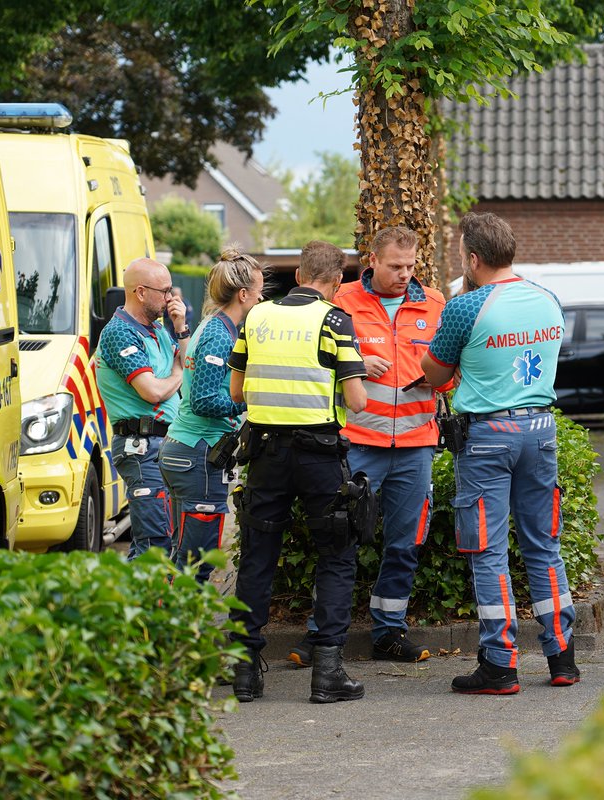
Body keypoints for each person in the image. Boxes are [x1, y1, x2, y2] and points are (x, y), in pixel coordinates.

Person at [421, 212, 580, 694]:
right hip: (541, 430)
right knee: (544, 545)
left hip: (488, 437)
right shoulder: (548, 300)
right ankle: (563, 659)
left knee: (487, 552)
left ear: (472, 259)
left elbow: (435, 374)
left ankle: (499, 664)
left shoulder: (466, 308)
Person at [285, 227, 448, 667]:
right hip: (358, 444)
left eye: (411, 266)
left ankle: (390, 632)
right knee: (339, 539)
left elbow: (450, 371)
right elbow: (316, 367)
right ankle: (320, 635)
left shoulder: (434, 304)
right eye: (395, 266)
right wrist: (354, 364)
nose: (404, 274)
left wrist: (436, 374)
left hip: (415, 447)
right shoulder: (341, 303)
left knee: (404, 544)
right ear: (371, 260)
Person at [228, 241, 369, 704]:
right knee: (335, 553)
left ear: (299, 274)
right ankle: (327, 671)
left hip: (265, 453)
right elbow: (357, 401)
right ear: (338, 282)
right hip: (319, 457)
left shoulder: (257, 317)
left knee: (257, 555)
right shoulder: (334, 320)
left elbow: (236, 391)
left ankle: (245, 671)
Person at [159, 248, 266, 582]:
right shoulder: (220, 336)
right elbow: (204, 400)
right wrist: (250, 401)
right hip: (197, 455)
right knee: (197, 561)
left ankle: (168, 627)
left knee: (183, 556)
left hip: (186, 452)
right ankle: (184, 631)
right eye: (259, 292)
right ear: (244, 294)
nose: (262, 299)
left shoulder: (213, 325)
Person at [95, 257, 188, 560]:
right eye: (164, 292)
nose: (170, 298)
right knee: (155, 543)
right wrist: (176, 374)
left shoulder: (159, 330)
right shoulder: (119, 333)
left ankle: (140, 604)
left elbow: (190, 366)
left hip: (165, 445)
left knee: (160, 541)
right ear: (140, 292)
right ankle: (141, 605)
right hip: (141, 448)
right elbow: (152, 391)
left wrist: (180, 327)